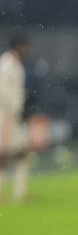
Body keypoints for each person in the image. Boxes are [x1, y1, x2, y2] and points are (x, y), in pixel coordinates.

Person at [0, 32, 31, 204]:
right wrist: (11, 111)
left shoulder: (17, 66)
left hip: (14, 116)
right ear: (18, 47)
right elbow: (2, 92)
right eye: (24, 46)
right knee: (3, 154)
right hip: (5, 116)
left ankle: (20, 192)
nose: (27, 50)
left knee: (22, 153)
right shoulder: (6, 65)